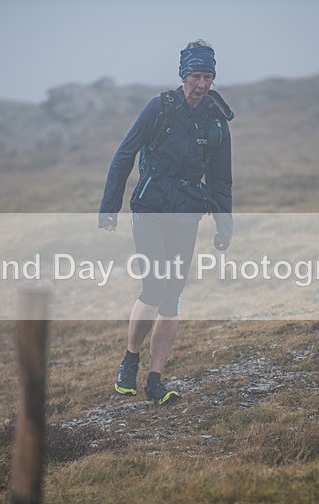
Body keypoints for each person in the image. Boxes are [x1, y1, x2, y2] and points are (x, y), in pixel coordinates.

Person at [98, 39, 234, 405]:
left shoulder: (217, 119)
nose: (201, 84)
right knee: (154, 287)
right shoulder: (160, 108)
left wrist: (225, 222)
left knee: (173, 295)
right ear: (183, 75)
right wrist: (109, 206)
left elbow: (221, 177)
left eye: (208, 76)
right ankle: (130, 360)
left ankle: (155, 380)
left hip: (187, 211)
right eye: (195, 75)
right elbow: (124, 154)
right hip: (150, 208)